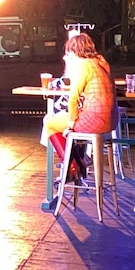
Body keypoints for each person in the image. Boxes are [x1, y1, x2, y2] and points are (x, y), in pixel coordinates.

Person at [42, 34, 118, 182]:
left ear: (75, 52)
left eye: (69, 52)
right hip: (112, 120)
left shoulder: (83, 65)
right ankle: (78, 160)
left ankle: (72, 165)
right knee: (66, 120)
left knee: (50, 123)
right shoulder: (102, 63)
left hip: (95, 120)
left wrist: (71, 124)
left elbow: (73, 99)